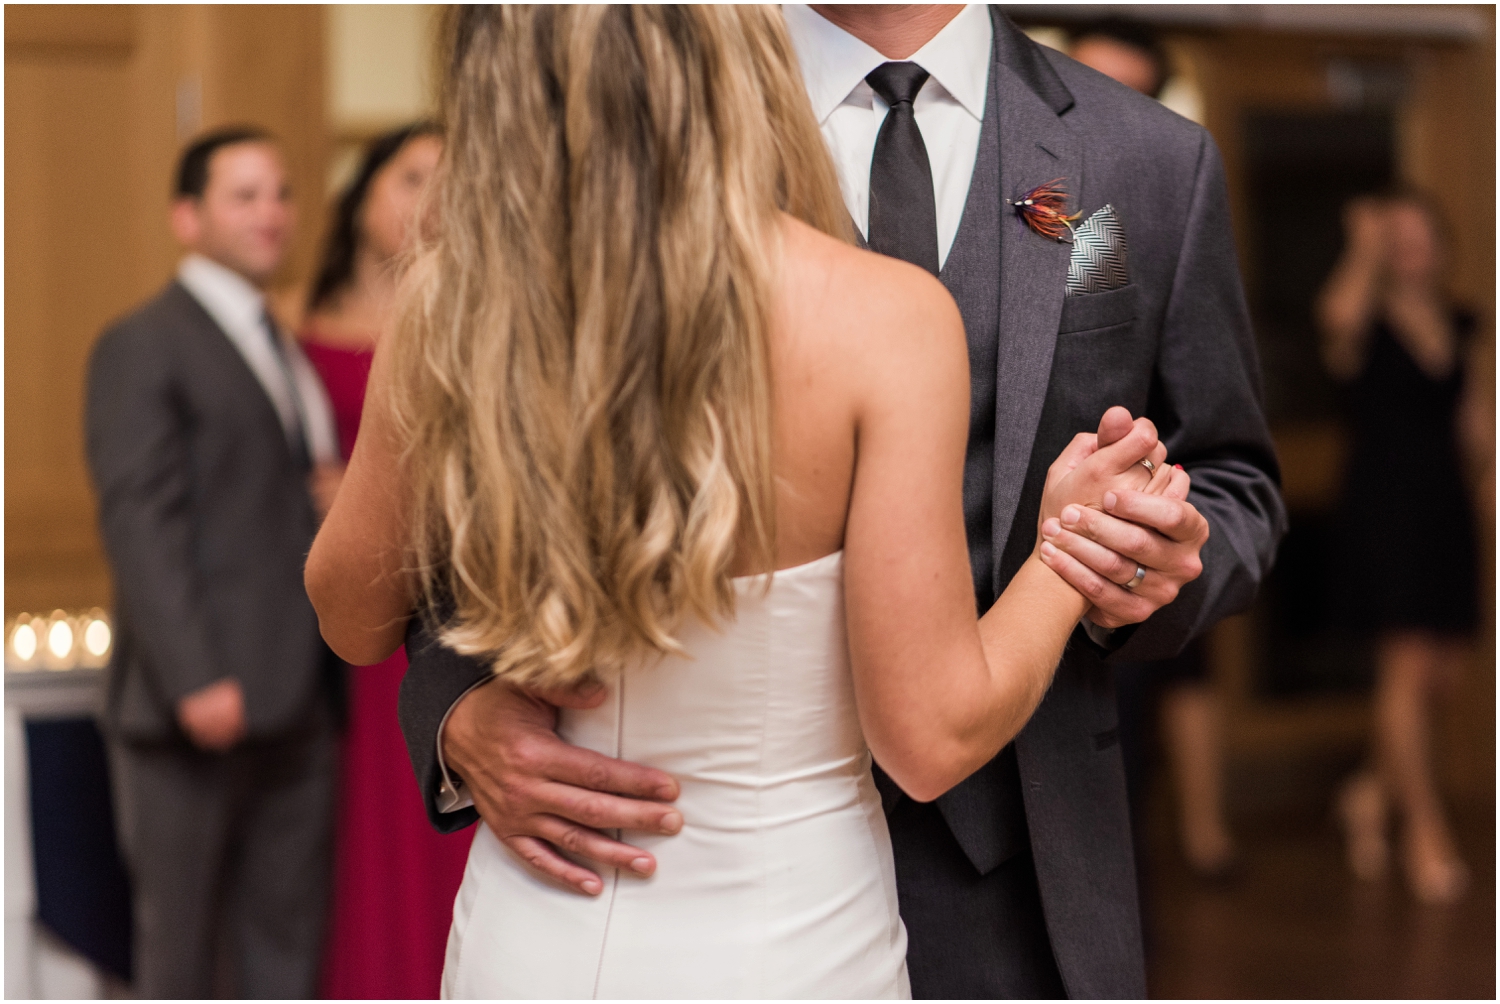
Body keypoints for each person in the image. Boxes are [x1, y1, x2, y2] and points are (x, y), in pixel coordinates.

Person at [396, 5, 1286, 998]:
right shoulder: (646, 96)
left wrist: (1148, 554)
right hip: (678, 850)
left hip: (1022, 863)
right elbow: (480, 470)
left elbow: (1237, 480)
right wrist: (457, 702)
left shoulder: (1144, 159)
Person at [85, 127, 342, 997]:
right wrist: (196, 676)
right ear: (185, 217)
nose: (271, 214)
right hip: (193, 707)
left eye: (282, 193)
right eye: (245, 195)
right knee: (183, 958)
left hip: (300, 700)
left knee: (282, 947)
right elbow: (139, 519)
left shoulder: (283, 341)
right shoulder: (144, 342)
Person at [299, 123, 471, 998]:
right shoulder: (295, 324)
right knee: (372, 829)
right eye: (408, 176)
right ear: (363, 192)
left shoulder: (472, 312)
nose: (427, 196)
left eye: (447, 175)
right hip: (360, 599)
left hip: (448, 599)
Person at [1068, 16, 1239, 879]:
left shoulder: (1154, 209)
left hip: (1115, 580)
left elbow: (1231, 457)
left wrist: (1161, 551)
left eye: (1124, 97)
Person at [1319, 191, 1485, 905]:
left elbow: (1477, 425)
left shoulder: (1466, 320)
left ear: (1443, 247)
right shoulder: (1365, 319)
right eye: (1400, 237)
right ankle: (1425, 829)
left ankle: (1366, 792)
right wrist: (1362, 243)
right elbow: (1337, 320)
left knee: (1441, 673)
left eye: (1422, 236)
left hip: (1447, 508)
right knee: (1406, 666)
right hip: (1382, 509)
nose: (1412, 248)